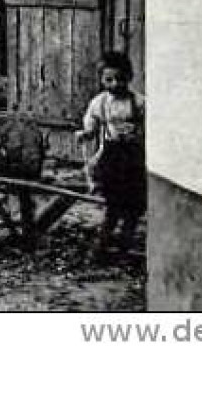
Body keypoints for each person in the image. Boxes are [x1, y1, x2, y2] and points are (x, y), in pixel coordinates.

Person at [76, 52, 146, 255]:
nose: (115, 83)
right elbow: (92, 120)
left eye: (120, 79)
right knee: (114, 202)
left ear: (130, 77)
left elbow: (150, 125)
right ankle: (103, 242)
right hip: (113, 154)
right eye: (109, 79)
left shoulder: (139, 103)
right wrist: (87, 132)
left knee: (134, 202)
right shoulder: (101, 102)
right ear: (101, 79)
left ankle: (126, 239)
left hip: (133, 155)